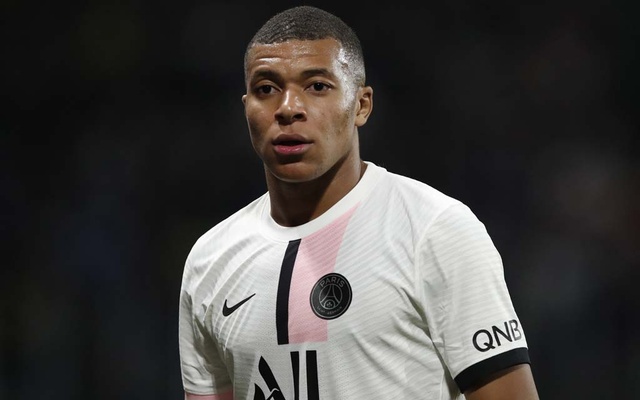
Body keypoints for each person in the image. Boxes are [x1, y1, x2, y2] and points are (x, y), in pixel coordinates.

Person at [178, 5, 539, 400]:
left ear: (361, 105)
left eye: (317, 86)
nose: (288, 108)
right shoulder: (210, 260)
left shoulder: (435, 229)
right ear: (245, 105)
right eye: (266, 89)